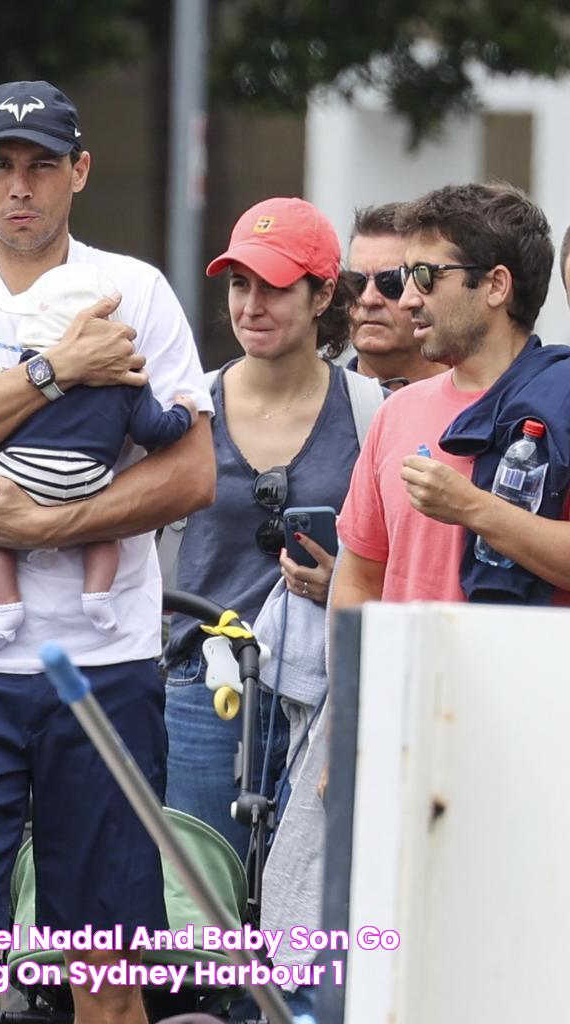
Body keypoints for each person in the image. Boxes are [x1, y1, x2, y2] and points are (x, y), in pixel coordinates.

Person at [0, 79, 214, 1024]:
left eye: (43, 166)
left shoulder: (135, 289)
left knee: (106, 983)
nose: (22, 187)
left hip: (106, 670)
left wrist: (52, 525)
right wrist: (56, 367)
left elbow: (190, 475)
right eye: (3, 165)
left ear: (79, 173)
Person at [163, 196, 366, 861]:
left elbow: (408, 556)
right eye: (239, 284)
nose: (251, 306)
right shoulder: (187, 405)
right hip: (203, 685)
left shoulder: (373, 412)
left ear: (322, 294)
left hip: (328, 693)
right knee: (203, 903)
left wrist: (349, 582)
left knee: (311, 905)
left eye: (275, 287)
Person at [332, 182, 570, 612]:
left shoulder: (561, 403)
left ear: (496, 285)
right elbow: (359, 582)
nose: (406, 300)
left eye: (425, 276)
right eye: (404, 278)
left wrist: (474, 508)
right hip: (408, 680)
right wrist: (352, 679)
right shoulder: (396, 412)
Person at [0, 262, 197, 650]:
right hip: (88, 478)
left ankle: (6, 606)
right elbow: (154, 432)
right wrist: (184, 411)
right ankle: (97, 596)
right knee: (104, 529)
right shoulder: (127, 379)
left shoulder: (28, 371)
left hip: (23, 475)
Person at [346, 202, 447, 389]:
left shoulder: (480, 408)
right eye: (356, 282)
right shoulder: (317, 408)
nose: (368, 299)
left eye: (391, 282)